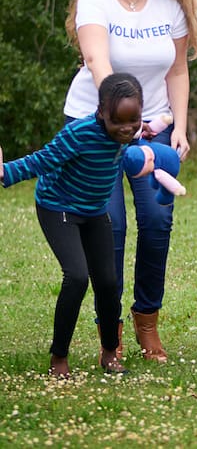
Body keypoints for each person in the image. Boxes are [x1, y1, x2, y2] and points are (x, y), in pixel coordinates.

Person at [62, 0, 197, 363]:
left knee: (157, 222)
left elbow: (179, 70)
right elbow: (96, 61)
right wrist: (120, 118)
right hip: (96, 128)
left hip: (156, 128)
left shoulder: (169, 3)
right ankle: (112, 332)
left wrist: (180, 127)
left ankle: (147, 321)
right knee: (111, 227)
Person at [2, 73, 144, 377]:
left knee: (108, 282)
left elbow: (140, 145)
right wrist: (5, 173)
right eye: (118, 121)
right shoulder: (79, 133)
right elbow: (42, 160)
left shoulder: (131, 131)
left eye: (133, 120)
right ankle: (59, 357)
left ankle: (109, 353)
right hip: (58, 206)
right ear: (101, 111)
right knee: (77, 277)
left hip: (93, 210)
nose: (126, 129)